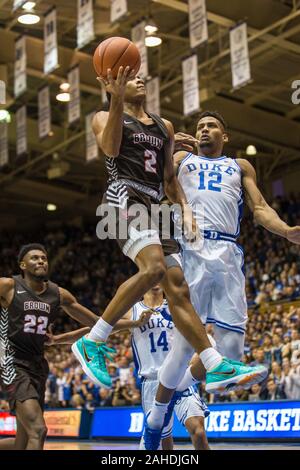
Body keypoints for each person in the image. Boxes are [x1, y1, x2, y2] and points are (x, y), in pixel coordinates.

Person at [71, 68, 267, 450]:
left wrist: (185, 209)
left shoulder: (164, 124)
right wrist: (113, 100)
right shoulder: (103, 115)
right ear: (114, 86)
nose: (140, 80)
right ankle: (93, 341)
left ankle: (214, 364)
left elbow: (169, 178)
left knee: (177, 290)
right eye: (130, 77)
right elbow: (110, 149)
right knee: (156, 269)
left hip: (156, 204)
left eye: (142, 76)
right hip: (122, 198)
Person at [170, 110, 300, 388]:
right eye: (200, 126)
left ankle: (206, 382)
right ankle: (163, 399)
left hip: (228, 248)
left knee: (233, 339)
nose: (204, 130)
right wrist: (167, 145)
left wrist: (287, 231)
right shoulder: (182, 159)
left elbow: (261, 209)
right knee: (183, 344)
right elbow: (162, 183)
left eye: (212, 126)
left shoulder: (240, 166)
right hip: (192, 246)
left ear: (224, 136)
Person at [0, 243, 103, 450]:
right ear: (22, 265)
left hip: (38, 366)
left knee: (24, 440)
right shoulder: (8, 286)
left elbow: (97, 322)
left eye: (44, 258)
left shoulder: (58, 294)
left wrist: (131, 324)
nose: (41, 261)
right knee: (39, 430)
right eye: (35, 258)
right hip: (12, 365)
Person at [115, 285, 210, 450]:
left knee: (199, 432)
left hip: (181, 377)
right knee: (164, 441)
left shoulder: (175, 306)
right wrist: (59, 339)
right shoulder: (132, 311)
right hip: (152, 382)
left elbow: (197, 332)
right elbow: (100, 326)